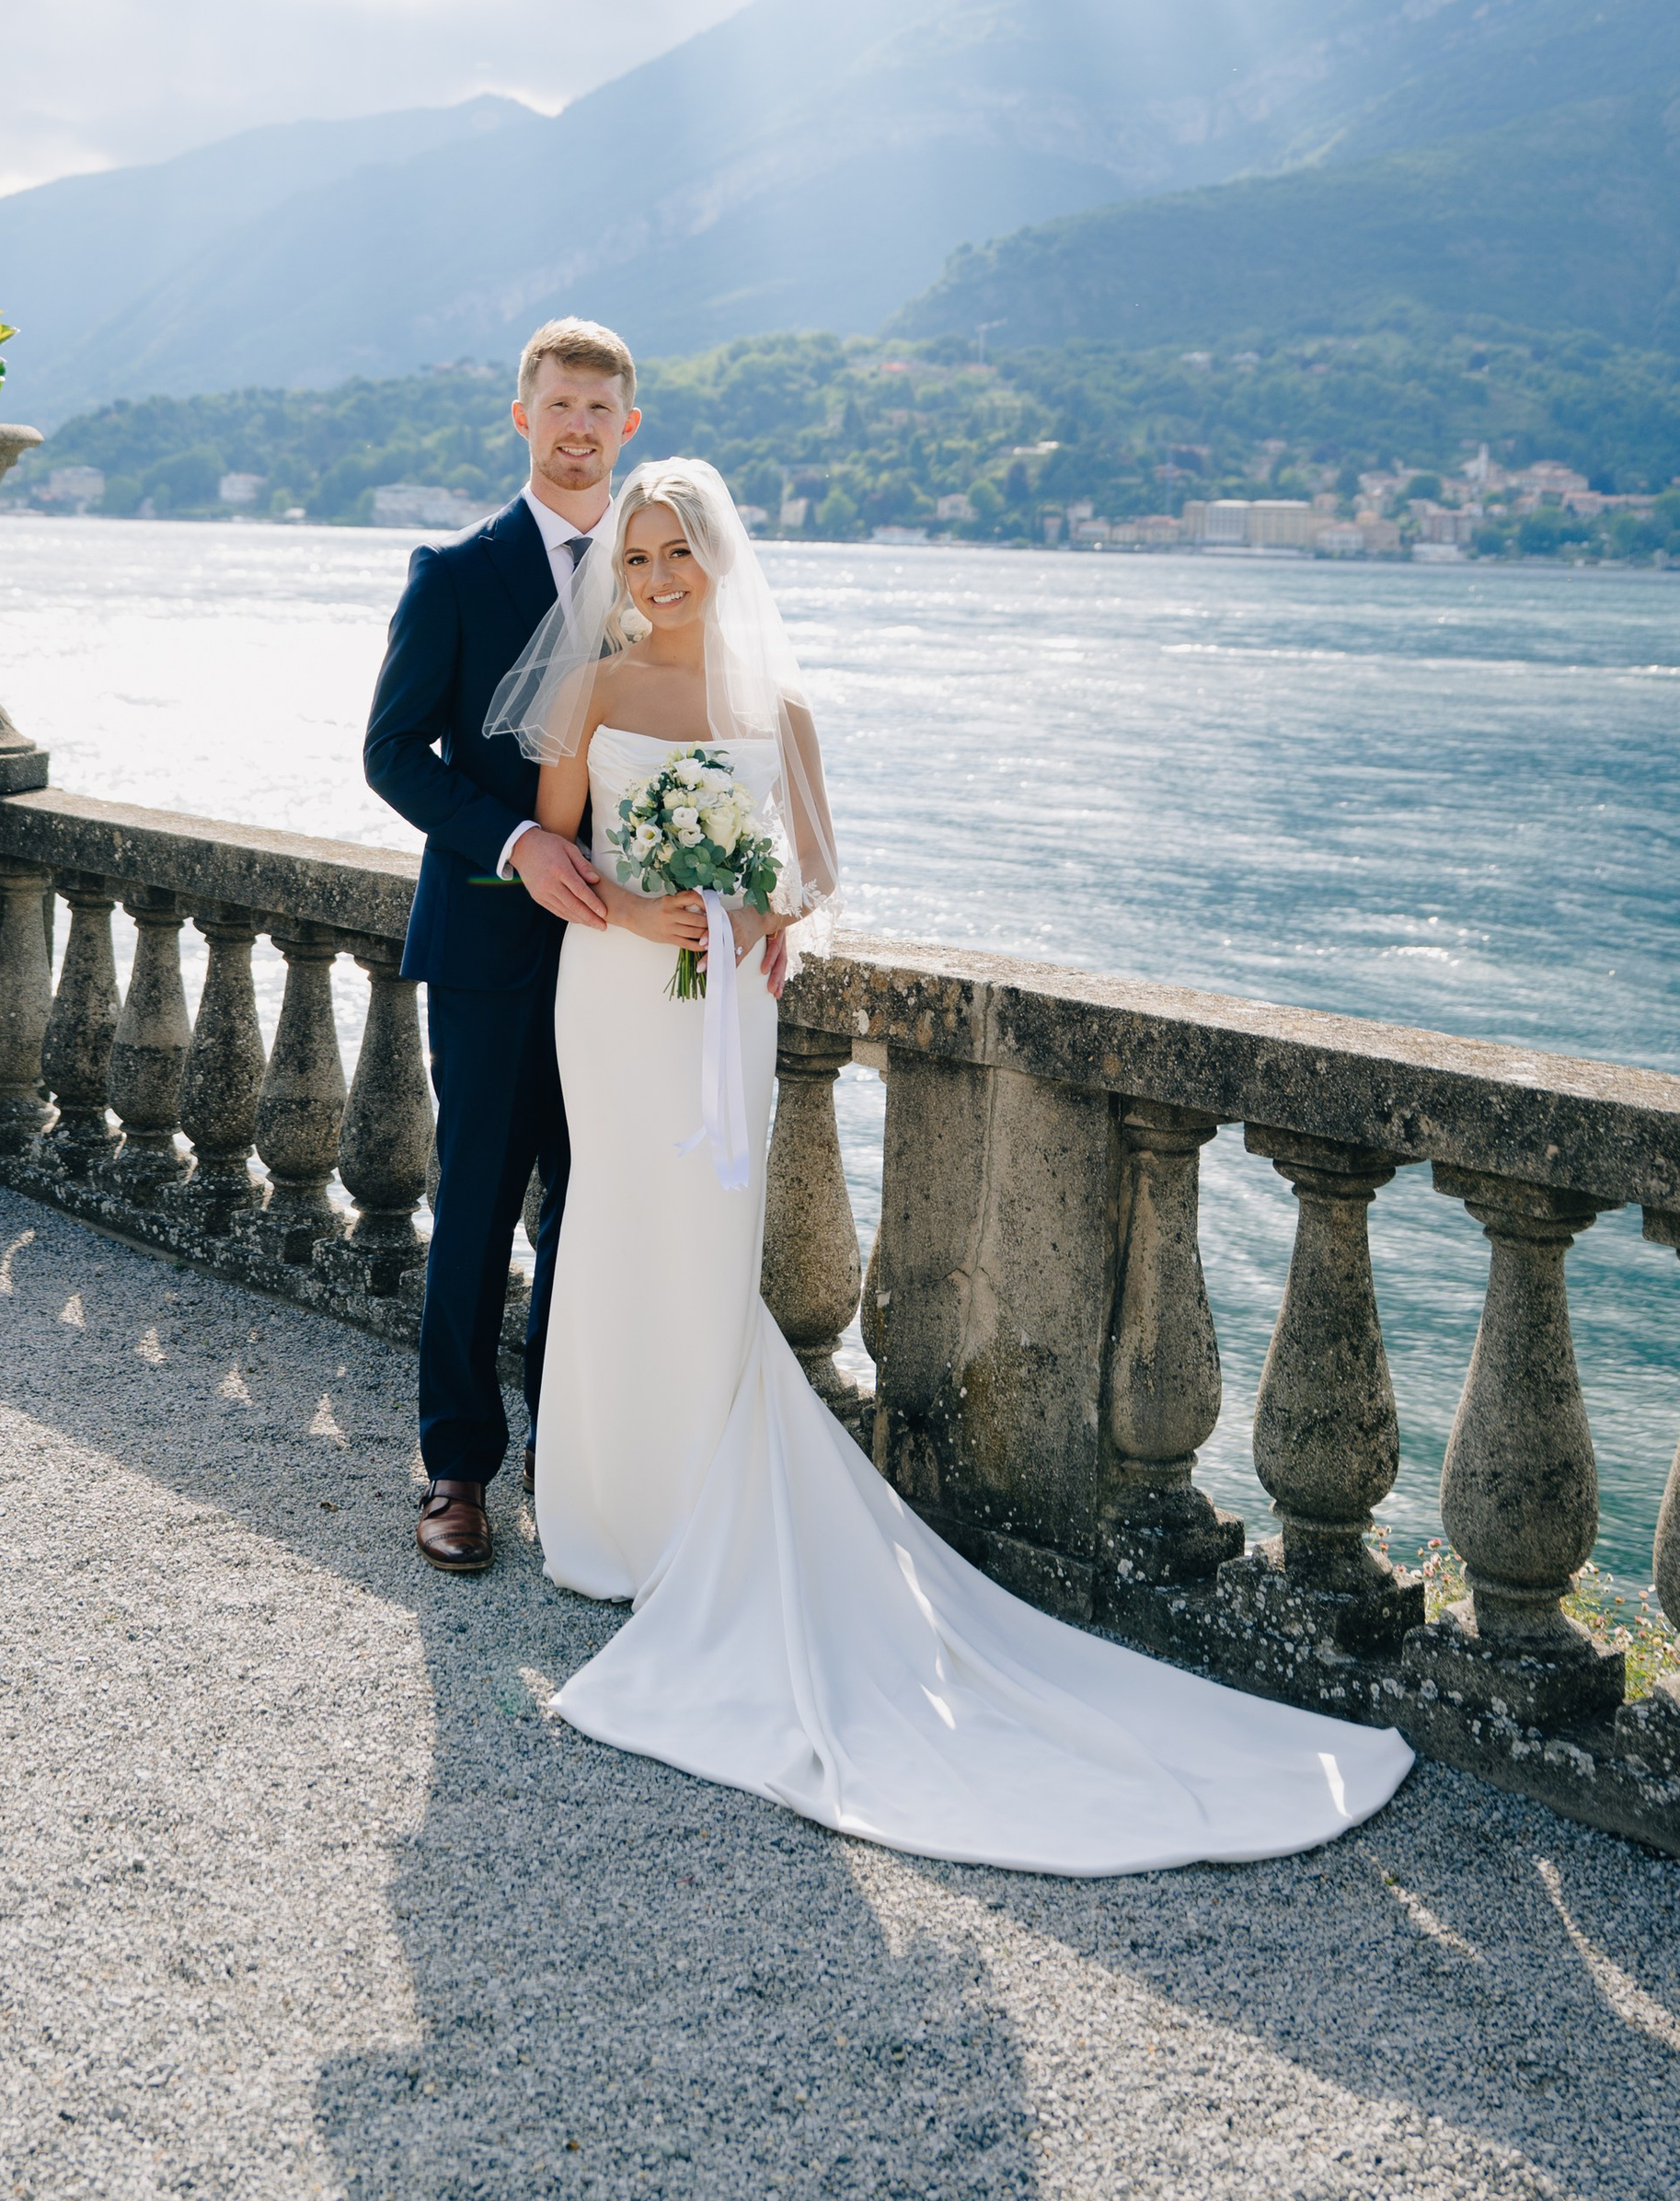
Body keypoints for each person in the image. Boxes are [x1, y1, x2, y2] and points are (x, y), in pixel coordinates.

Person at [488, 457, 1415, 1874]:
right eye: (640, 556)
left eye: (680, 554)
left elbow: (816, 871)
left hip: (724, 1003)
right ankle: (604, 1520)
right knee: (612, 1221)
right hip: (614, 998)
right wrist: (635, 903)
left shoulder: (775, 710)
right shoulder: (598, 693)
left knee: (706, 1245)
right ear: (619, 570)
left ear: (723, 562)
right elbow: (553, 854)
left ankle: (692, 1519)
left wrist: (749, 901)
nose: (660, 578)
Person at [362, 318, 640, 1575]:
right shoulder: (455, 572)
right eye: (560, 406)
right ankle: (457, 1469)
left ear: (629, 428)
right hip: (489, 944)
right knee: (475, 1211)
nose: (579, 428)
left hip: (626, 958)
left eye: (602, 410)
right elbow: (390, 755)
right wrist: (517, 841)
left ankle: (563, 1454)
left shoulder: (660, 574)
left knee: (592, 1212)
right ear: (522, 418)